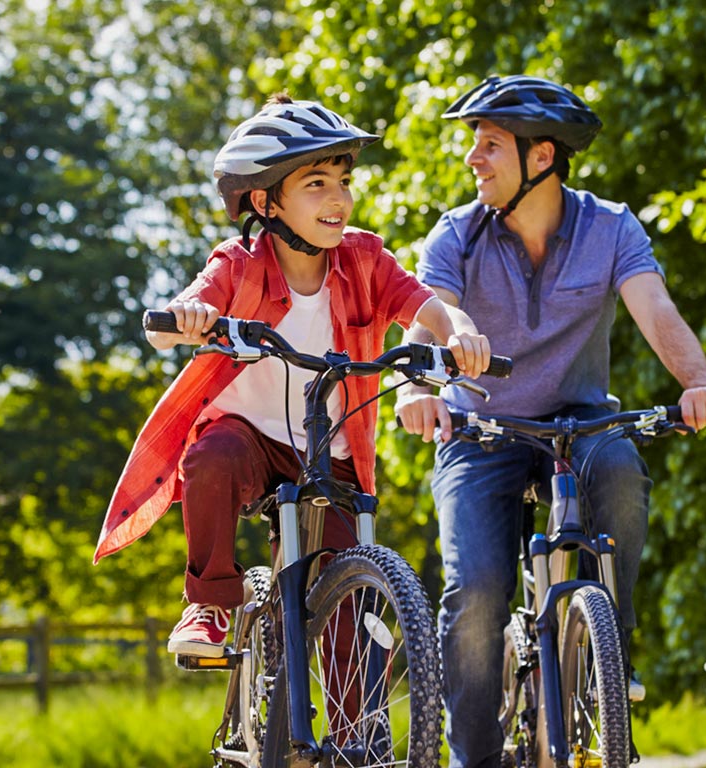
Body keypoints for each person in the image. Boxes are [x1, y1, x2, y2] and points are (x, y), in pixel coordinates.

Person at [393, 75, 706, 768]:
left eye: (489, 145)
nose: (472, 159)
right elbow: (432, 317)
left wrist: (698, 381)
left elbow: (656, 311)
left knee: (621, 475)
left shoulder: (610, 227)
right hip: (479, 429)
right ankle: (475, 760)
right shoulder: (456, 235)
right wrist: (417, 387)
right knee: (479, 591)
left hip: (578, 423)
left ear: (540, 157)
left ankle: (611, 651)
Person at [92, 95, 492, 657]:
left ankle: (359, 739)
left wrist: (461, 331)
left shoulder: (365, 260)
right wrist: (189, 318)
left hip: (330, 451)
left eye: (343, 181)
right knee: (212, 456)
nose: (339, 198)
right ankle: (209, 603)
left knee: (350, 606)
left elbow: (429, 307)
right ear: (265, 201)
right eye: (316, 183)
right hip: (250, 441)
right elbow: (164, 328)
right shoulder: (236, 265)